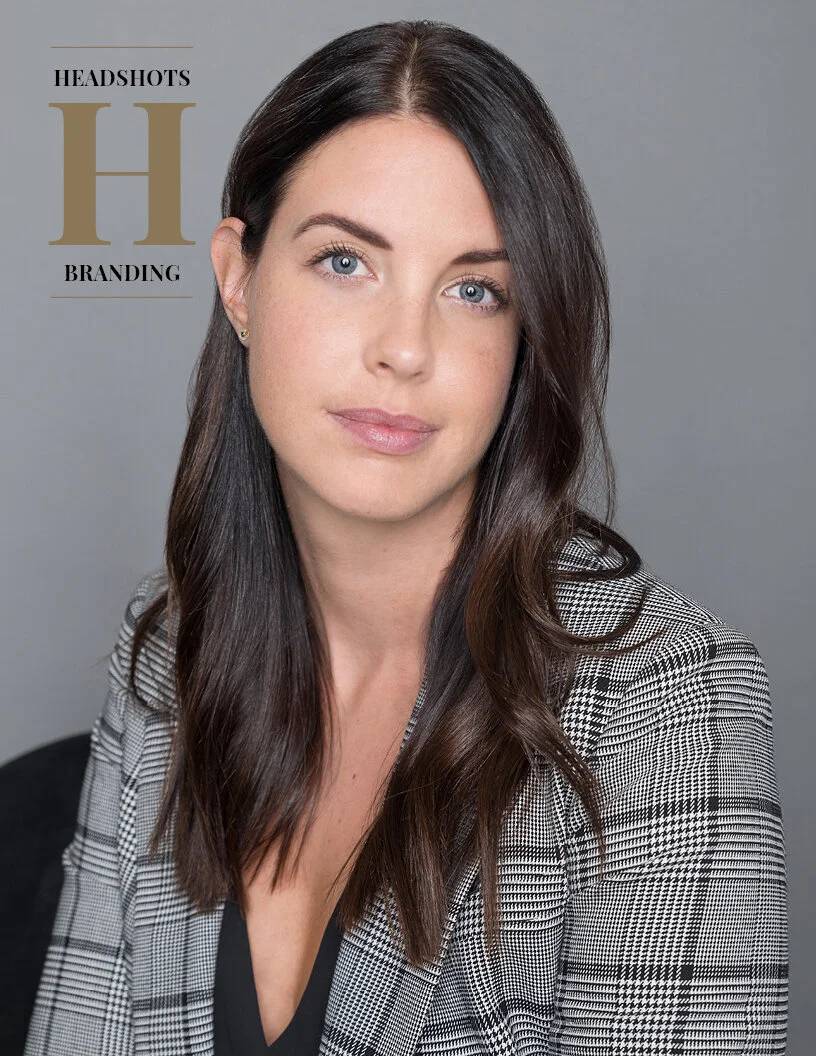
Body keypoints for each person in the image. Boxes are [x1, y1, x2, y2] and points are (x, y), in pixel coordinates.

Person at [24, 18, 788, 1056]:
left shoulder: (664, 706)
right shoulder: (163, 663)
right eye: (346, 261)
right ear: (239, 280)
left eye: (475, 291)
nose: (405, 348)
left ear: (524, 342)